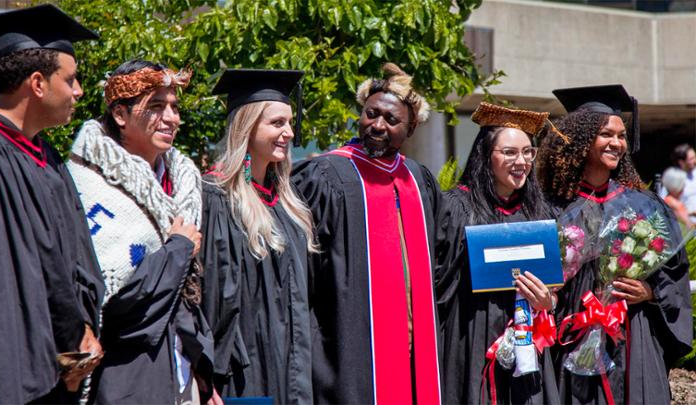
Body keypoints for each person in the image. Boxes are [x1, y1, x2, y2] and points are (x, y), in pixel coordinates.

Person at [66, 59, 217, 404]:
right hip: (127, 374)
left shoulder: (184, 181)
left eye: (175, 108)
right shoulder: (89, 186)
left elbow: (188, 296)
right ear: (120, 115)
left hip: (180, 366)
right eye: (156, 107)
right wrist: (178, 248)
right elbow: (115, 305)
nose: (172, 118)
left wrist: (202, 376)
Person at [292, 63, 441, 404]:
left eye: (391, 120)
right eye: (371, 114)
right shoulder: (327, 174)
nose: (377, 125)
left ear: (411, 127)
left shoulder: (418, 181)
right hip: (348, 345)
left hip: (411, 352)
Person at [0, 5, 103, 403]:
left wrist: (77, 345)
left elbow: (71, 258)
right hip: (8, 372)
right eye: (70, 79)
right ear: (37, 83)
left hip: (57, 367)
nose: (78, 90)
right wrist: (70, 343)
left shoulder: (45, 157)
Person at [537, 84, 692, 404]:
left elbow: (675, 275)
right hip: (572, 336)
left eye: (622, 136)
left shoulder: (644, 207)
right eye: (607, 134)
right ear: (582, 140)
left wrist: (650, 293)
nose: (617, 143)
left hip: (632, 337)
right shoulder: (551, 207)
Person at [200, 69, 317, 403]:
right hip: (245, 373)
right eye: (277, 124)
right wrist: (207, 375)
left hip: (292, 370)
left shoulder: (287, 203)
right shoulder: (218, 197)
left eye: (290, 123)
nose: (289, 133)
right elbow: (212, 298)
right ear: (247, 127)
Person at [436, 102, 560, 404]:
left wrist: (549, 301)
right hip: (470, 336)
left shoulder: (539, 212)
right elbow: (435, 282)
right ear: (485, 156)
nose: (521, 161)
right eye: (509, 152)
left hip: (526, 342)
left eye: (528, 152)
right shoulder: (456, 208)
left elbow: (558, 288)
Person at [669, 144, 696, 220]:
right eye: (691, 159)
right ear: (681, 162)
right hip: (687, 228)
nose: (695, 161)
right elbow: (666, 208)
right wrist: (691, 213)